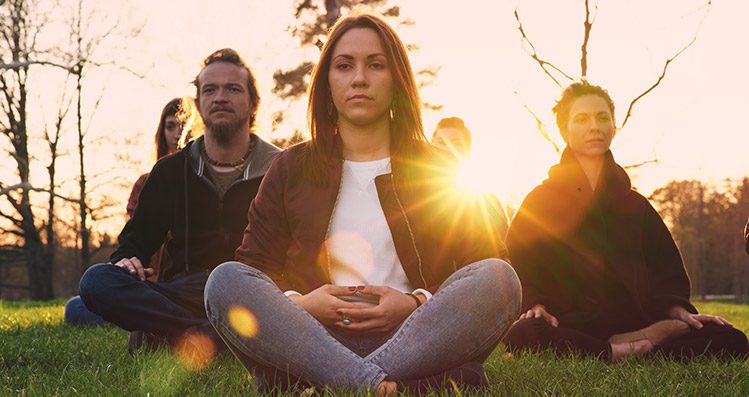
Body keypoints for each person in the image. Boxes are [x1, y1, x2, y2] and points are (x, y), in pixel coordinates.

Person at [203, 13, 520, 395]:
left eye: (375, 65)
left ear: (397, 80)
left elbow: (479, 260)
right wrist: (302, 304)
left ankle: (330, 385)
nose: (359, 79)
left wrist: (415, 303)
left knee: (500, 279)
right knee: (225, 281)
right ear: (327, 83)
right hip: (312, 341)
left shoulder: (437, 167)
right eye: (344, 66)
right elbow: (255, 267)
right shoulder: (291, 167)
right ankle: (395, 387)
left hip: (418, 341)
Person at [503, 82, 749, 362]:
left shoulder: (636, 204)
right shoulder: (539, 201)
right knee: (522, 334)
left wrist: (677, 311)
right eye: (582, 119)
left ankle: (626, 346)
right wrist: (534, 303)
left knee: (732, 339)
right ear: (564, 130)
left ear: (614, 126)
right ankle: (630, 350)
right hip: (570, 322)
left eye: (603, 117)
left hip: (635, 321)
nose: (594, 126)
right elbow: (519, 262)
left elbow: (666, 269)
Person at [78, 48, 281, 357]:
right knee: (96, 281)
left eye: (233, 89)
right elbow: (135, 242)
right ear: (198, 104)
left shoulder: (280, 167)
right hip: (182, 293)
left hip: (253, 295)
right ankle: (207, 336)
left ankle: (170, 335)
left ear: (253, 103)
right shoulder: (170, 170)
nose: (220, 97)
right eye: (210, 90)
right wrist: (128, 259)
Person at [65, 97, 185, 327]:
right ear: (162, 132)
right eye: (171, 126)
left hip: (187, 287)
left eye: (183, 124)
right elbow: (136, 239)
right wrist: (127, 264)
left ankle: (169, 325)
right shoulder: (147, 182)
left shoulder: (202, 181)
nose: (178, 133)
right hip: (150, 288)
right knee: (76, 306)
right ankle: (156, 319)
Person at [431, 116, 509, 241]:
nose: (448, 149)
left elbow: (500, 251)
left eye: (456, 144)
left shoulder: (486, 201)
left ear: (467, 150)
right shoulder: (412, 197)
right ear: (431, 148)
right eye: (442, 143)